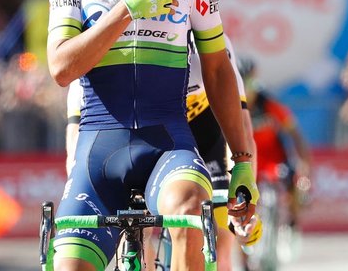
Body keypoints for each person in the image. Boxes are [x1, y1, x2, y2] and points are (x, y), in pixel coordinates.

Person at [46, 0, 258, 270]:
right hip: (97, 155)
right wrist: (128, 9)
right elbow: (62, 68)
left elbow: (219, 71)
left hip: (170, 148)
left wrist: (243, 164)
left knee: (191, 211)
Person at [64, 34, 261, 271]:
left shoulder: (204, 47)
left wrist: (243, 199)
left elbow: (242, 131)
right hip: (142, 140)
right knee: (133, 234)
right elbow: (76, 144)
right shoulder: (102, 56)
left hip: (205, 134)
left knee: (218, 243)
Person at [240, 59, 312, 229]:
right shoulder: (233, 106)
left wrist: (304, 165)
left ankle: (292, 222)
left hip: (274, 158)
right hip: (248, 160)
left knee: (292, 181)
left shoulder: (269, 104)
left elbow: (295, 133)